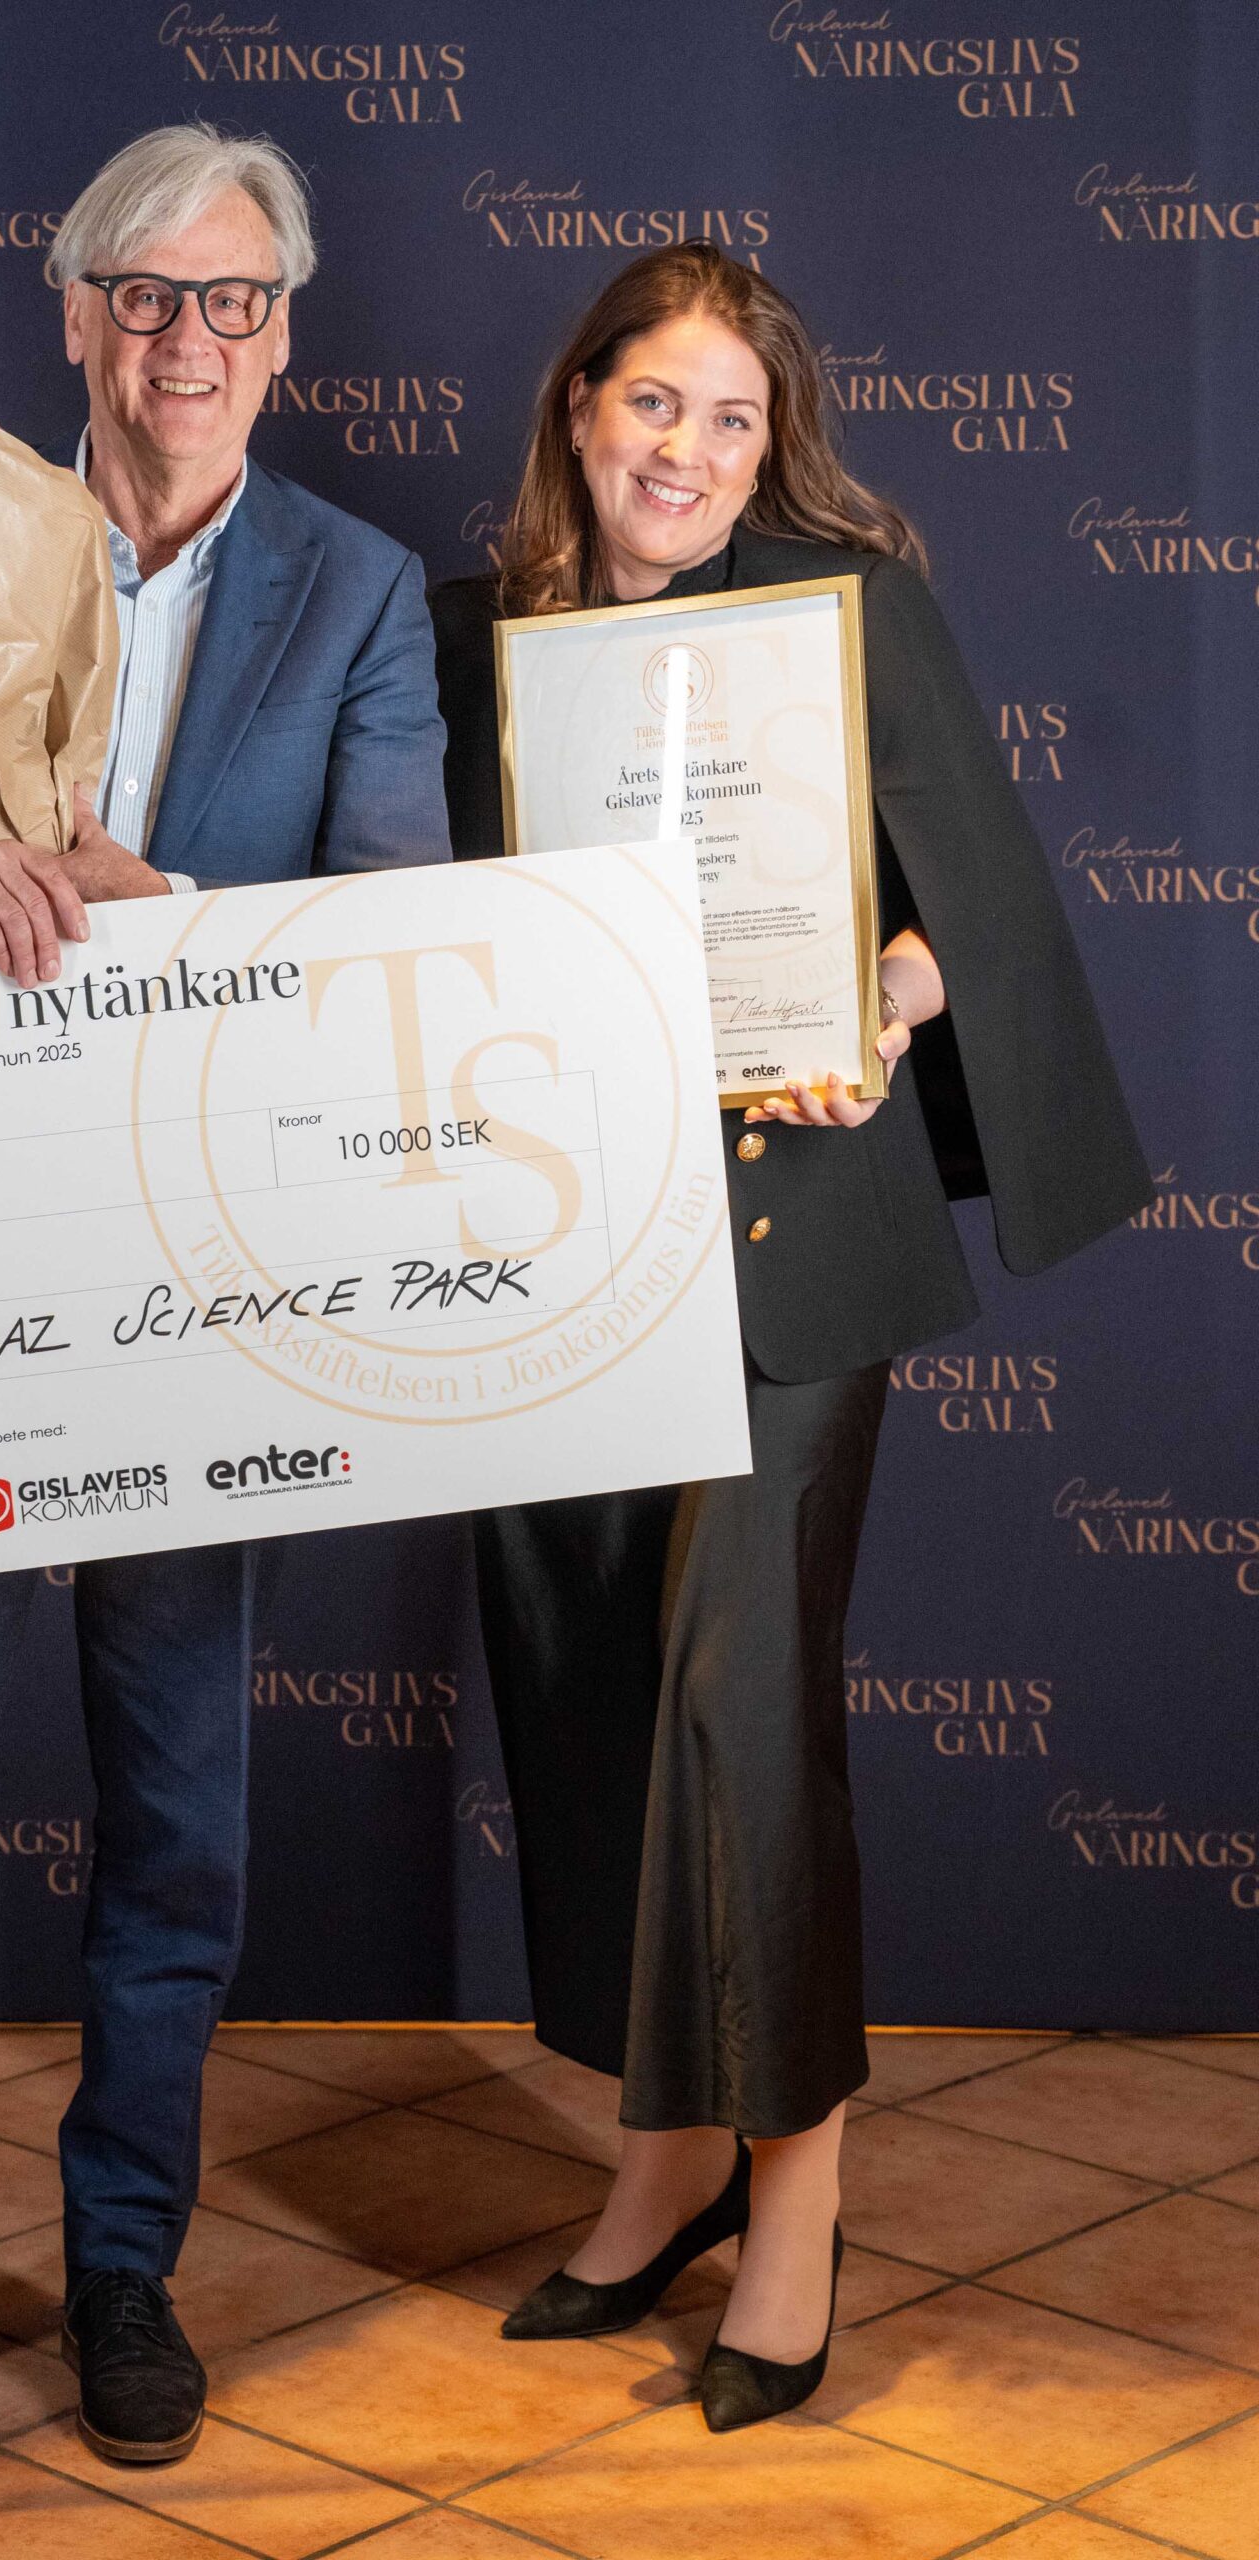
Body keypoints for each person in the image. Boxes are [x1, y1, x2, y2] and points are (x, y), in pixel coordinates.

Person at [0, 122, 448, 2480]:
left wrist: (173, 923)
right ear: (73, 316)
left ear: (282, 334)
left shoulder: (357, 592)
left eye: (231, 300)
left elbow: (397, 922)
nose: (185, 339)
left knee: (179, 1817)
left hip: (197, 1279)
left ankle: (126, 2260)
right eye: (145, 293)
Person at [431, 242, 1147, 2431]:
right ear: (579, 408)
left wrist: (877, 1000)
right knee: (588, 1697)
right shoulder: (465, 640)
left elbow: (980, 910)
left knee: (739, 1711)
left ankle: (800, 2195)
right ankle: (660, 2162)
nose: (691, 450)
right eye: (656, 402)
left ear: (772, 450)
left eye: (733, 419)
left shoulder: (849, 608)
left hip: (793, 1236)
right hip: (554, 1251)